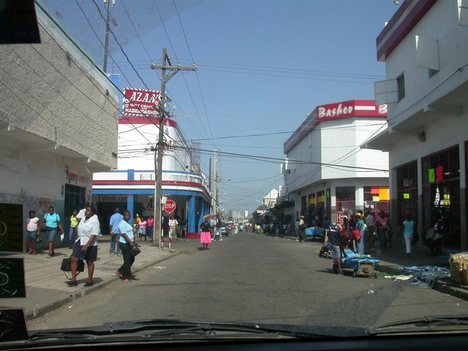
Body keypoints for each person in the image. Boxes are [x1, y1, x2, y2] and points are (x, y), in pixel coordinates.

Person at [67, 205, 99, 287]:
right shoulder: (83, 219)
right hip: (80, 241)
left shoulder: (95, 221)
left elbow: (94, 235)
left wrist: (87, 245)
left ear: (92, 213)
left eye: (88, 211)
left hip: (90, 243)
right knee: (74, 258)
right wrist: (76, 239)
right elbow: (79, 229)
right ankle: (73, 280)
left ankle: (89, 280)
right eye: (86, 210)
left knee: (89, 261)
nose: (86, 212)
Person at [116, 210, 137, 281]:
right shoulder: (122, 223)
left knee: (132, 258)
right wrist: (130, 242)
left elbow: (129, 233)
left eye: (129, 215)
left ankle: (121, 271)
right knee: (127, 260)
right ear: (124, 216)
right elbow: (124, 234)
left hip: (129, 243)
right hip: (124, 244)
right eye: (127, 215)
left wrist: (133, 241)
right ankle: (125, 276)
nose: (128, 217)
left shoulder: (127, 223)